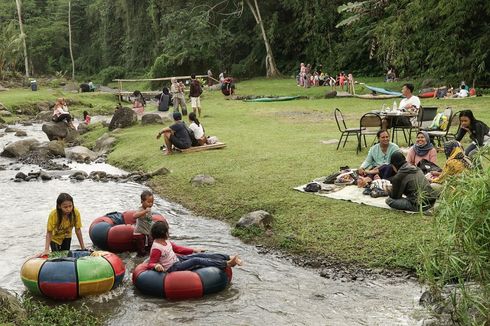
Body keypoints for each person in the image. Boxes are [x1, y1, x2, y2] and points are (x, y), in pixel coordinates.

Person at [146, 220, 242, 273]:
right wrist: (157, 266)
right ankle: (227, 264)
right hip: (172, 267)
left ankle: (229, 257)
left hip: (177, 259)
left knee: (201, 255)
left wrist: (194, 250)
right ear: (163, 233)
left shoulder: (166, 241)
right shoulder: (156, 248)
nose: (169, 233)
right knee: (196, 260)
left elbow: (177, 248)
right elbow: (151, 263)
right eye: (168, 231)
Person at [133, 190, 155, 256]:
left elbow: (149, 220)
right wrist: (145, 211)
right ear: (142, 201)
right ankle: (139, 260)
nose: (150, 204)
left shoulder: (149, 209)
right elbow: (134, 216)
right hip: (139, 234)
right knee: (141, 251)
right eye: (148, 202)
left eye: (152, 202)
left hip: (147, 233)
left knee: (150, 247)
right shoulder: (141, 209)